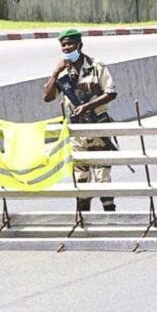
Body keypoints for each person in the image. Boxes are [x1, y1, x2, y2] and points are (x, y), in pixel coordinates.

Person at [43, 29, 118, 212]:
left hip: (98, 127)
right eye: (64, 45)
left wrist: (88, 106)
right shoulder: (62, 72)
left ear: (80, 45)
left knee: (102, 178)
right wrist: (55, 73)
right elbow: (47, 97)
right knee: (81, 179)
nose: (67, 47)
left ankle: (110, 218)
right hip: (76, 132)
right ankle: (84, 219)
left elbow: (111, 92)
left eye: (71, 43)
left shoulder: (96, 66)